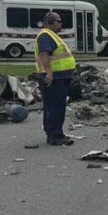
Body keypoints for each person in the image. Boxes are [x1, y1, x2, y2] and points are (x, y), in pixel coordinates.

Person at [34, 12, 79, 145]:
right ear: (50, 22)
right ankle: (55, 136)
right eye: (58, 22)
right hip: (54, 77)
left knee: (54, 106)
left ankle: (54, 133)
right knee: (55, 107)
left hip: (60, 76)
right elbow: (44, 54)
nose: (61, 24)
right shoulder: (45, 36)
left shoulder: (52, 36)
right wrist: (49, 73)